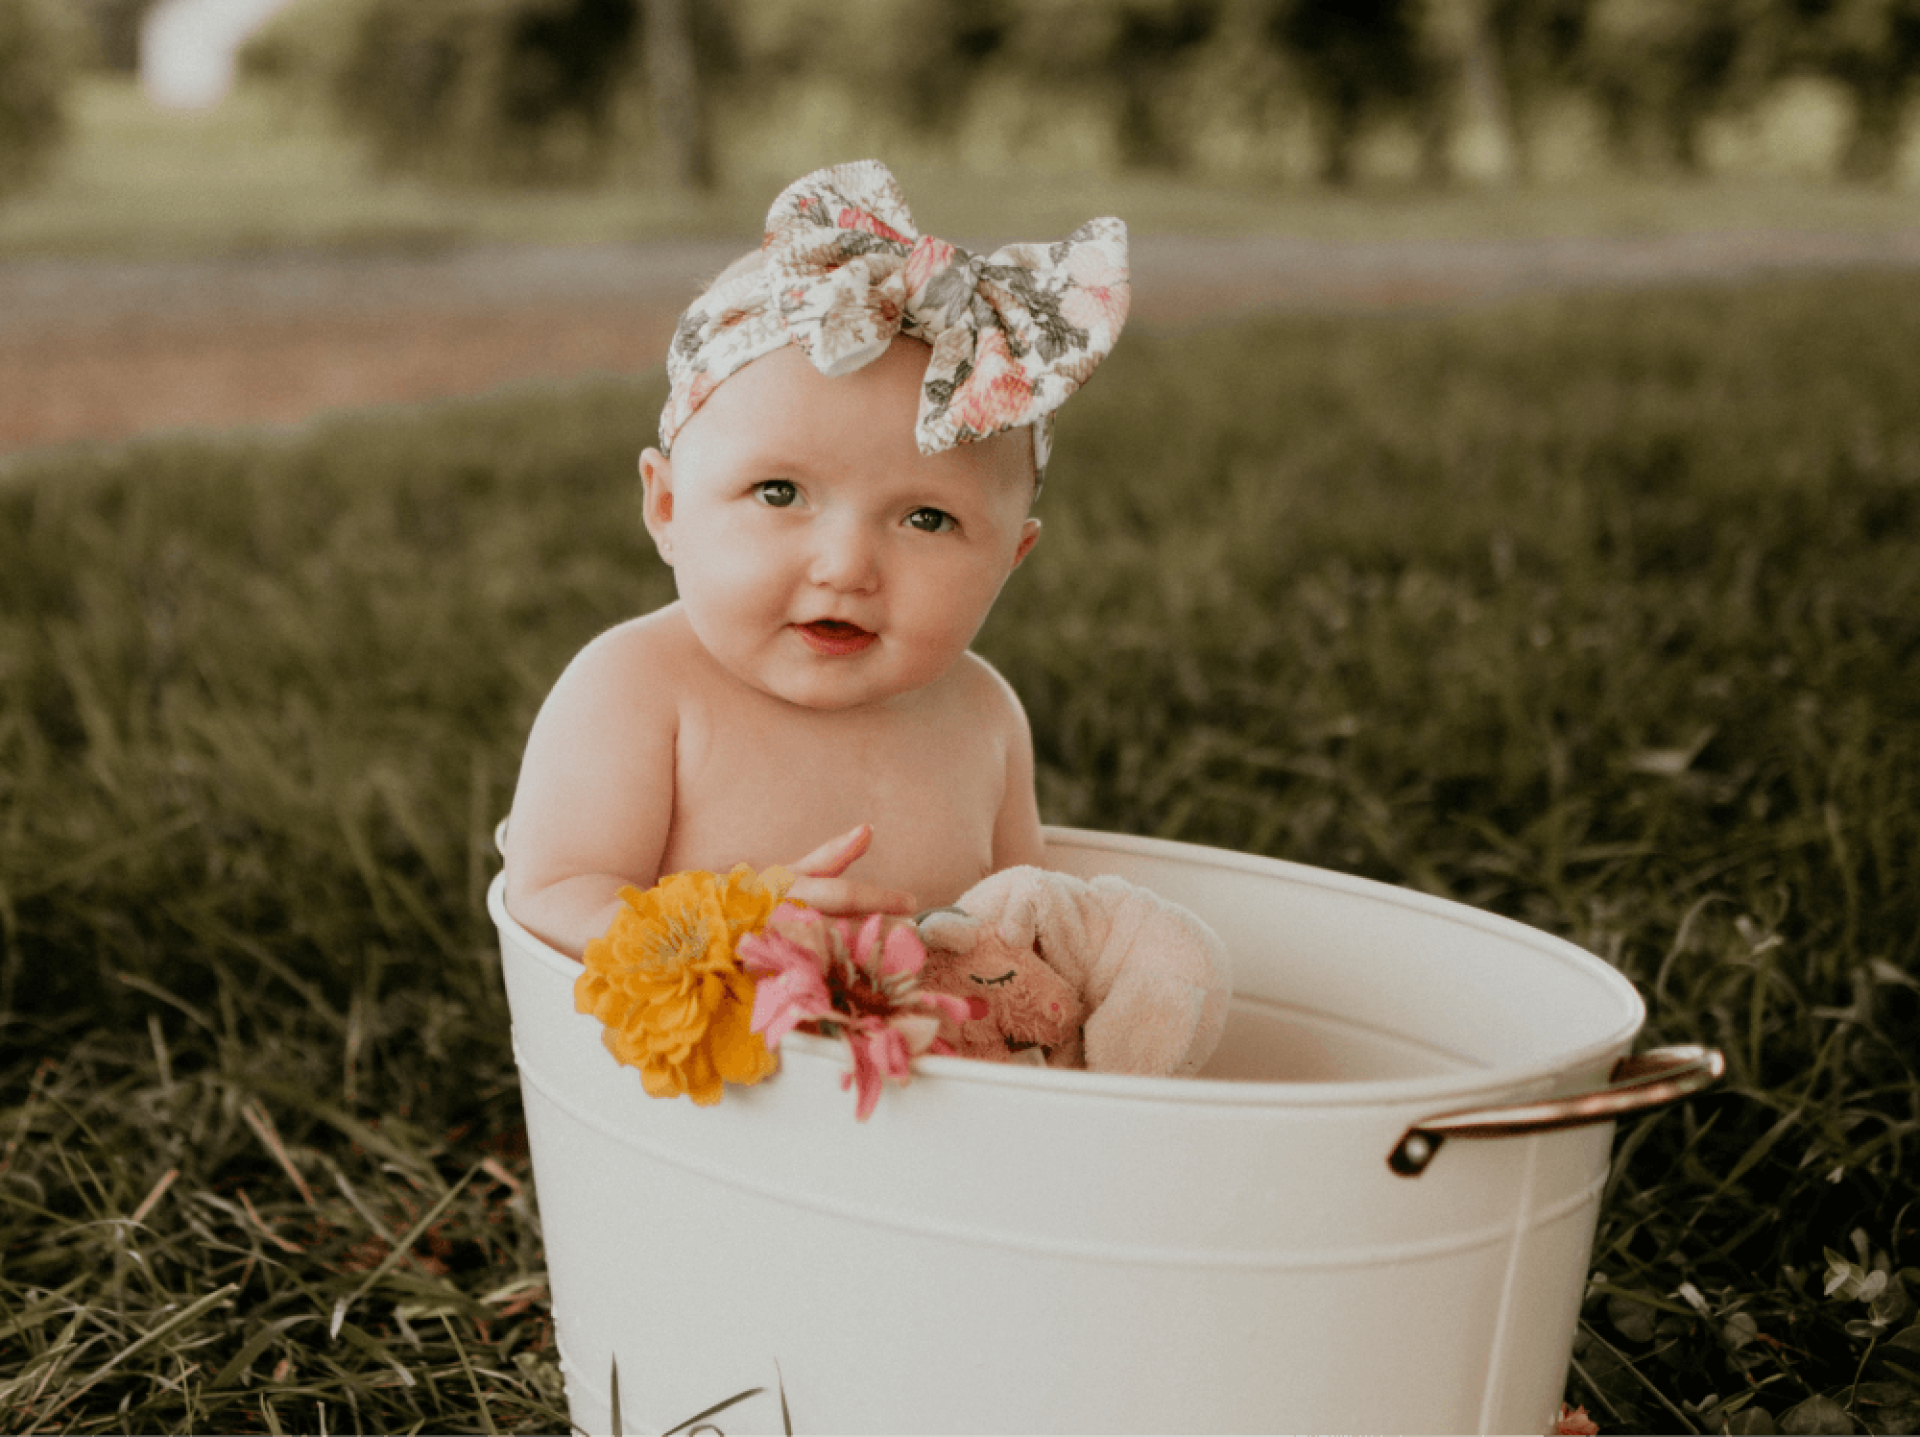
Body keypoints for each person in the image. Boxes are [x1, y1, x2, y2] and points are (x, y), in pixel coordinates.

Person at [502, 159, 1130, 959]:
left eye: (927, 517)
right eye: (778, 493)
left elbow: (1024, 928)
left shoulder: (983, 714)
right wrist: (723, 930)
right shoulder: (636, 689)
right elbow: (551, 894)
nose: (845, 566)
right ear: (666, 506)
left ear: (1013, 556)